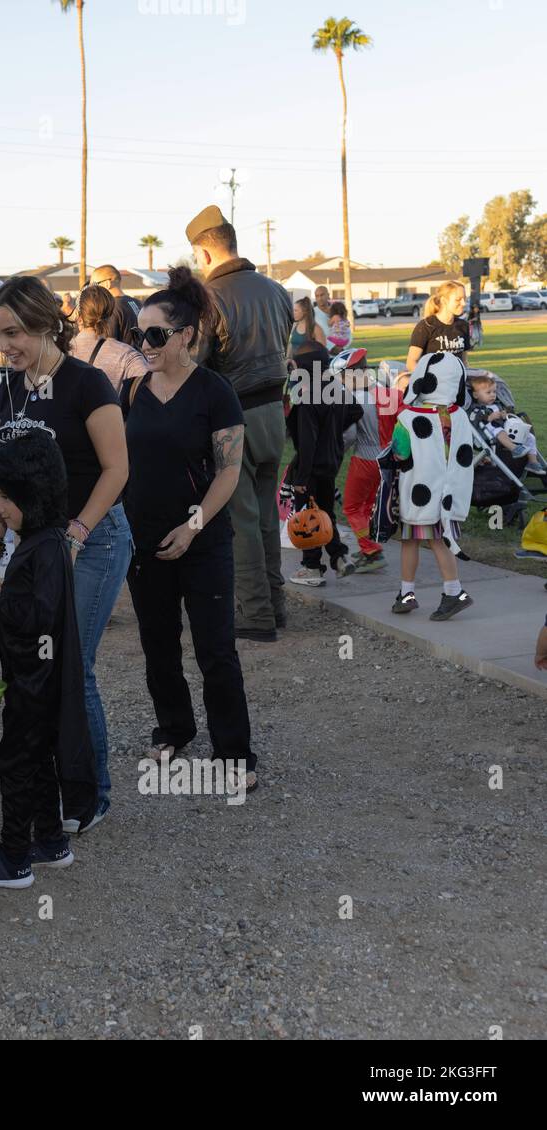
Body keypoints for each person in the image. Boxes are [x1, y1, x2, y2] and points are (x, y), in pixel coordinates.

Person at [0, 274, 131, 830]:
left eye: (15, 333)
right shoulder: (9, 387)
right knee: (38, 666)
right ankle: (58, 781)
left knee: (75, 666)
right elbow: (6, 478)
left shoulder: (87, 384)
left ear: (47, 323)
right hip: (37, 548)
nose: (6, 348)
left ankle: (92, 794)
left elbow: (117, 470)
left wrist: (76, 533)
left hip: (93, 541)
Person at [120, 267, 257, 793]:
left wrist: (193, 526)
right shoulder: (130, 391)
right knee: (158, 644)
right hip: (142, 541)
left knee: (215, 649)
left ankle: (234, 752)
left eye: (155, 334)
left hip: (203, 541)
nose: (144, 343)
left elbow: (229, 470)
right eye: (138, 333)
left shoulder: (215, 392)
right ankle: (174, 727)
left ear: (186, 334)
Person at [0, 432, 93, 888]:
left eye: (8, 498)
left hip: (38, 683)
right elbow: (31, 618)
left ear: (35, 494)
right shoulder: (39, 541)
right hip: (35, 674)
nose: (0, 510)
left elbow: (37, 615)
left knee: (16, 763)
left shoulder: (48, 548)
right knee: (37, 761)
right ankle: (50, 842)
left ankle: (14, 860)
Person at [187, 204, 295, 642]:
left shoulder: (210, 298)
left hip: (236, 417)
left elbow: (199, 363)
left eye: (197, 258)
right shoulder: (276, 290)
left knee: (242, 519)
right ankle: (275, 602)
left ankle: (255, 614)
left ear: (205, 253)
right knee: (268, 515)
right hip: (275, 413)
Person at [390, 351, 476, 621]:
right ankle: (448, 591)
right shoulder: (459, 415)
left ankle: (417, 593)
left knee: (412, 542)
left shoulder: (407, 418)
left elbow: (400, 454)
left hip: (419, 493)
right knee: (441, 541)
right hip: (448, 494)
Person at [284, 342, 361, 586]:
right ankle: (339, 557)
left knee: (308, 519)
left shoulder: (308, 399)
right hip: (332, 462)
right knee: (325, 513)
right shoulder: (334, 389)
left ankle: (312, 567)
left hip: (311, 469)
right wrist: (334, 431)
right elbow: (355, 411)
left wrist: (301, 479)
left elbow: (307, 444)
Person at [340, 348, 401, 572]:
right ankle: (370, 546)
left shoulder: (354, 399)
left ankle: (371, 551)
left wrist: (338, 452)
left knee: (352, 507)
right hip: (387, 459)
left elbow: (350, 435)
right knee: (367, 506)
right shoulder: (386, 392)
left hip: (364, 459)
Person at [70, 284, 150, 394]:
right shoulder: (127, 355)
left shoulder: (60, 352)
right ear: (111, 312)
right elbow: (150, 390)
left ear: (79, 317)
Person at [469, 374, 547, 473]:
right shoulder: (476, 409)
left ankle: (533, 462)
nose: (493, 395)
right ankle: (514, 449)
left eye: (494, 392)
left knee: (530, 436)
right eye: (488, 392)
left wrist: (504, 414)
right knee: (499, 431)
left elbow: (507, 416)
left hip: (507, 431)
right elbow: (474, 420)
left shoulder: (497, 405)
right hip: (488, 434)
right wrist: (490, 417)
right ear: (476, 395)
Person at [406, 282, 470, 372]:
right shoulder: (426, 326)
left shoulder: (463, 326)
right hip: (432, 382)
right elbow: (411, 362)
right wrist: (429, 380)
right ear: (444, 300)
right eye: (458, 299)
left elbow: (464, 361)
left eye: (464, 299)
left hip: (456, 382)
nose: (463, 303)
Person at [90, 264, 142, 346]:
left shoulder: (111, 307)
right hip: (140, 356)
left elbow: (108, 345)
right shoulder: (137, 302)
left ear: (107, 283)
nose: (92, 289)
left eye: (94, 284)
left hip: (121, 357)